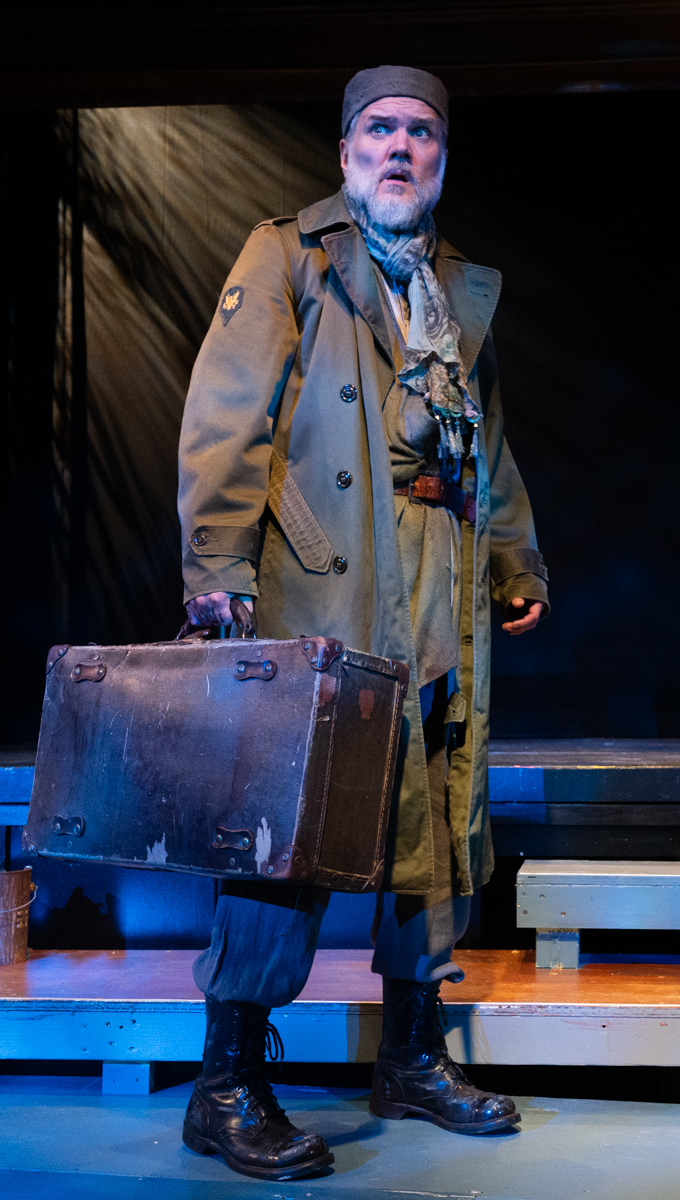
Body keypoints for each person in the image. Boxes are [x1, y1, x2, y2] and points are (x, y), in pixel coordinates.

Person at [175, 64, 550, 1181]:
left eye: (420, 132)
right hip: (324, 573)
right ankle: (226, 1084)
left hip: (439, 574)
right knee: (287, 819)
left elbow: (488, 444)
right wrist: (218, 564)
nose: (399, 148)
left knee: (435, 807)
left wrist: (513, 559)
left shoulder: (453, 287)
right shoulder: (287, 254)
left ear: (441, 157)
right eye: (379, 129)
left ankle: (413, 1056)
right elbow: (226, 417)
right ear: (345, 151)